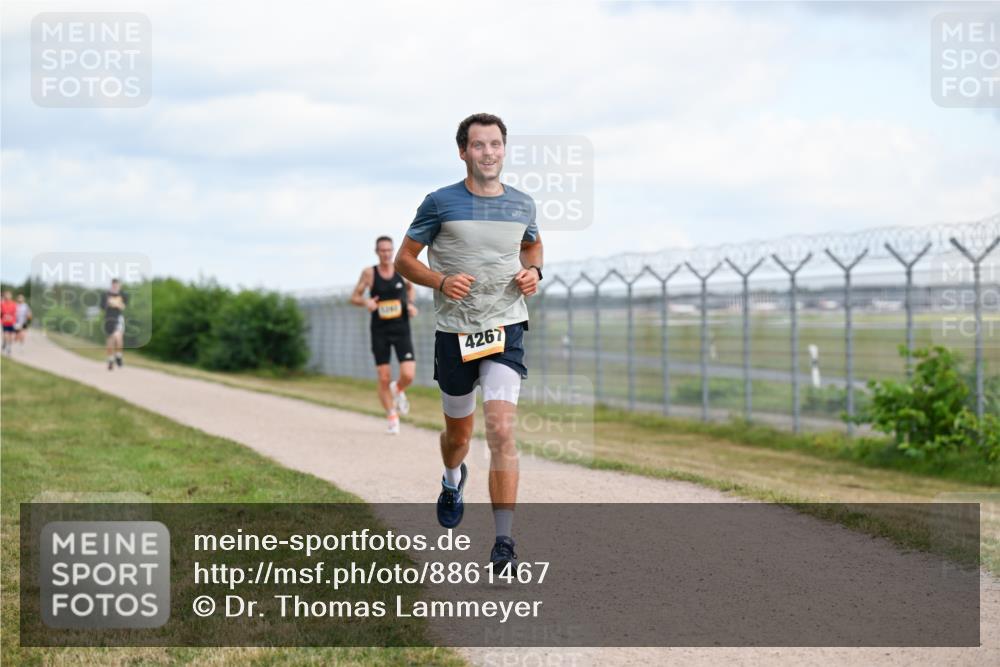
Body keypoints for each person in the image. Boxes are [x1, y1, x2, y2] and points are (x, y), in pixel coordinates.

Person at [395, 113, 543, 573]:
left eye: (495, 144)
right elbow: (404, 260)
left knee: (501, 430)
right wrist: (440, 281)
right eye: (478, 145)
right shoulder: (439, 202)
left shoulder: (522, 204)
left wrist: (534, 272)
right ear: (463, 152)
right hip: (455, 332)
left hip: (506, 327)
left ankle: (503, 543)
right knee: (458, 436)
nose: (488, 152)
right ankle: (451, 477)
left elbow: (532, 246)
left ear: (504, 149)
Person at [350, 235, 419, 435]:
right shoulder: (369, 273)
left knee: (408, 375)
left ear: (393, 250)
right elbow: (354, 297)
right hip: (380, 330)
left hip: (401, 329)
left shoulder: (401, 269)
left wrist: (410, 305)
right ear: (377, 252)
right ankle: (392, 417)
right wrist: (366, 302)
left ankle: (397, 389)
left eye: (389, 250)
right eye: (382, 250)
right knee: (383, 376)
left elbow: (411, 289)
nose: (386, 254)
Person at [100, 279, 128, 371]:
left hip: (118, 317)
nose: (115, 287)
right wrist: (109, 303)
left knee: (118, 337)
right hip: (108, 318)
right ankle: (110, 359)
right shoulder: (105, 294)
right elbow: (102, 307)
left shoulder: (123, 294)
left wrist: (116, 303)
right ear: (112, 285)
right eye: (114, 285)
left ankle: (118, 356)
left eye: (117, 285)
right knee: (110, 339)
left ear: (119, 286)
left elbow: (123, 306)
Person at [1, 291, 17, 356]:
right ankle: (6, 345)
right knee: (6, 335)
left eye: (9, 295)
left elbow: (15, 313)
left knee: (11, 337)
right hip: (5, 322)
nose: (8, 296)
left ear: (11, 296)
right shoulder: (2, 303)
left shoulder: (14, 304)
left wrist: (15, 320)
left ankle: (9, 347)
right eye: (6, 295)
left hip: (12, 322)